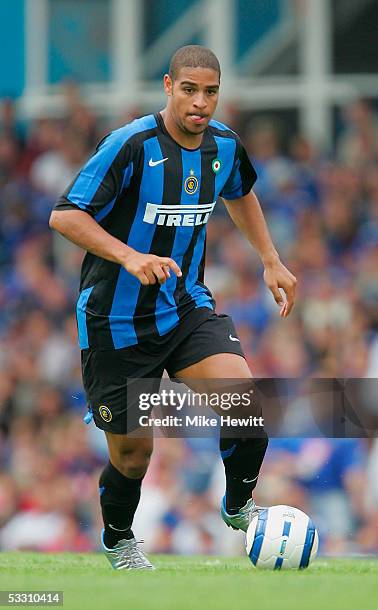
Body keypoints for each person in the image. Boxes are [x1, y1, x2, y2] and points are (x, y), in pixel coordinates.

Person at [49, 45, 297, 570]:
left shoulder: (224, 146)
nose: (200, 102)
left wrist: (270, 260)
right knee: (134, 455)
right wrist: (130, 255)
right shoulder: (130, 144)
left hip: (183, 306)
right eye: (189, 89)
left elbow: (241, 192)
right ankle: (118, 539)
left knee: (245, 404)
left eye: (210, 92)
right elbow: (65, 215)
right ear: (168, 86)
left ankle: (238, 509)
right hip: (115, 323)